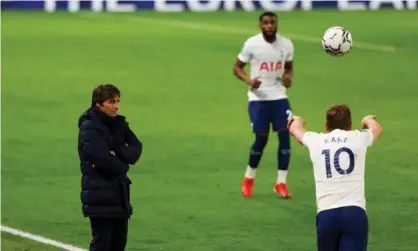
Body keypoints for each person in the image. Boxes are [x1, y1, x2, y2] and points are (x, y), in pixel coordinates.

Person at [287, 104, 383, 251]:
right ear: (350, 125)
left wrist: (298, 120)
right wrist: (367, 120)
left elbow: (295, 129)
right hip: (354, 214)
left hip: (326, 215)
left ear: (326, 125)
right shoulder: (358, 138)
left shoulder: (316, 141)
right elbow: (376, 129)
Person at [233, 11, 295, 198]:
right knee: (262, 138)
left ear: (277, 25)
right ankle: (249, 178)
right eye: (266, 23)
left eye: (273, 23)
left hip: (279, 96)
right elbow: (237, 67)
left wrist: (288, 78)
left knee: (285, 138)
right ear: (260, 25)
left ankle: (281, 183)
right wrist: (249, 81)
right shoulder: (252, 44)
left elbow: (289, 69)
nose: (270, 26)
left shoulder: (287, 44)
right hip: (258, 98)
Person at [77, 84, 143, 251]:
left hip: (119, 195)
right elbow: (102, 159)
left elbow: (136, 148)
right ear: (98, 104)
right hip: (98, 195)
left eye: (118, 101)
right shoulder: (89, 127)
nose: (116, 106)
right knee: (102, 245)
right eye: (111, 102)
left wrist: (117, 152)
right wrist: (122, 163)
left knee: (118, 245)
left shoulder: (119, 124)